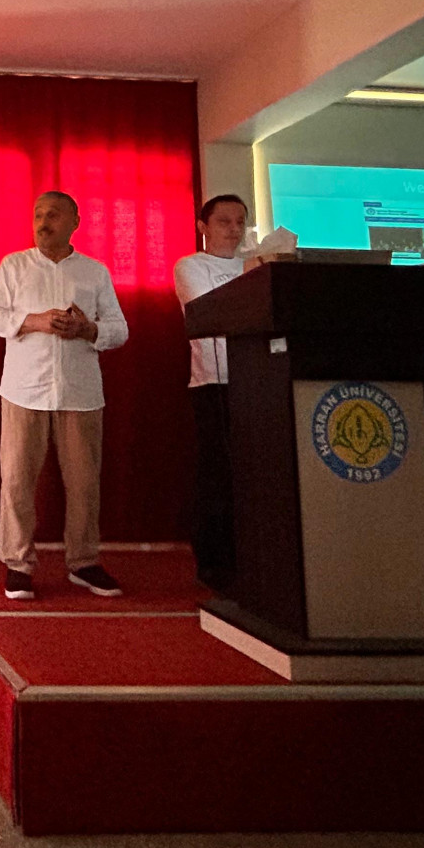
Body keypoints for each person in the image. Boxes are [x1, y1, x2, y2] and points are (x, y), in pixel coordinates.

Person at [0, 191, 129, 600]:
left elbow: (119, 328)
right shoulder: (14, 266)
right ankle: (18, 564)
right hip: (23, 390)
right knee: (17, 481)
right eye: (38, 215)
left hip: (80, 392)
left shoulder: (94, 272)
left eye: (54, 215)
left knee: (84, 484)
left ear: (76, 222)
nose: (44, 223)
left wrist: (88, 330)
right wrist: (34, 321)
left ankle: (84, 562)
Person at [172, 192, 252, 592]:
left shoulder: (256, 265)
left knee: (254, 473)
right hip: (213, 382)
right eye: (224, 221)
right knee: (217, 474)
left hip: (258, 382)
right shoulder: (191, 265)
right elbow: (210, 309)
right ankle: (214, 562)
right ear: (203, 227)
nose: (234, 230)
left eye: (240, 222)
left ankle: (252, 557)